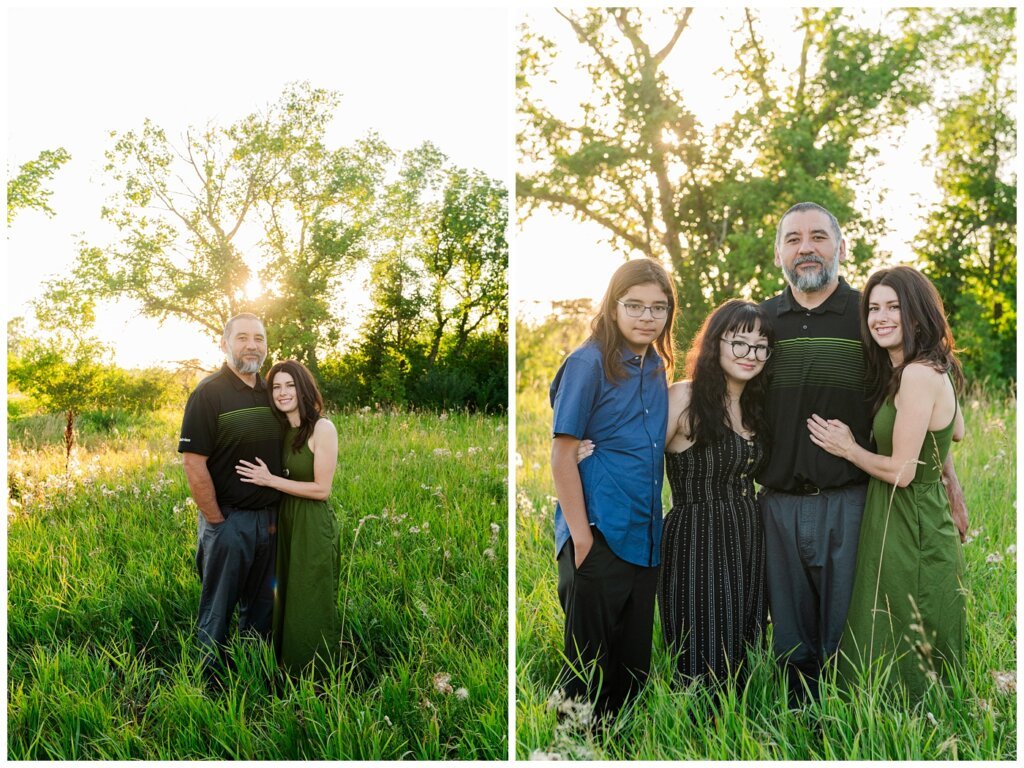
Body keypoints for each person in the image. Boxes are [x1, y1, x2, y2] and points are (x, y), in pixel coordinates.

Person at [757, 202, 968, 705]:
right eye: (792, 239)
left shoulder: (867, 315)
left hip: (854, 502)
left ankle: (848, 726)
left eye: (818, 237)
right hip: (777, 503)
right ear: (779, 253)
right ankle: (797, 729)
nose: (805, 248)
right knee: (789, 640)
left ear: (840, 247)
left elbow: (913, 422)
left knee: (851, 635)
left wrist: (951, 485)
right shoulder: (761, 320)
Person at [806, 266, 966, 699]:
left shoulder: (916, 374)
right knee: (920, 614)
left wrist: (848, 448)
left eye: (893, 307)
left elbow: (902, 470)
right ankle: (921, 712)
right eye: (874, 307)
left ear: (916, 314)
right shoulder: (935, 366)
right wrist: (950, 483)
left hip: (906, 513)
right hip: (925, 509)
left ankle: (900, 720)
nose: (880, 317)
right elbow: (955, 432)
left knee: (898, 618)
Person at [549, 258, 676, 723]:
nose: (647, 317)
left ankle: (619, 748)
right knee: (586, 670)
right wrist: (581, 539)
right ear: (613, 306)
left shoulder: (655, 367)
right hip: (598, 534)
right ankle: (569, 749)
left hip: (644, 536)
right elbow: (563, 455)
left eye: (658, 308)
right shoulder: (588, 363)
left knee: (631, 669)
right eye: (636, 305)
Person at [658, 300, 772, 686]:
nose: (750, 354)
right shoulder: (683, 397)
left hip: (748, 535)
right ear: (715, 343)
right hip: (696, 537)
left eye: (760, 346)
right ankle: (696, 735)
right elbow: (637, 457)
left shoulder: (758, 406)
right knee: (702, 649)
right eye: (739, 342)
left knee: (746, 644)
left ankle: (740, 726)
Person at [179, 313, 283, 684]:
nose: (252, 345)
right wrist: (216, 521)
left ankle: (253, 677)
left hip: (271, 521)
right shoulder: (208, 393)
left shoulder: (271, 392)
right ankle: (207, 686)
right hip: (228, 521)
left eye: (259, 338)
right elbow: (194, 463)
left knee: (262, 608)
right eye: (242, 338)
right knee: (217, 610)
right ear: (224, 344)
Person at [235, 360, 341, 677]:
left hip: (311, 523)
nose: (283, 393)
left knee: (309, 599)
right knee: (284, 598)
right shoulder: (281, 429)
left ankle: (316, 678)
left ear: (304, 388)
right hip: (284, 521)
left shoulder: (323, 428)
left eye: (290, 385)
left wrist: (270, 481)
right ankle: (284, 673)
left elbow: (322, 489)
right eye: (277, 387)